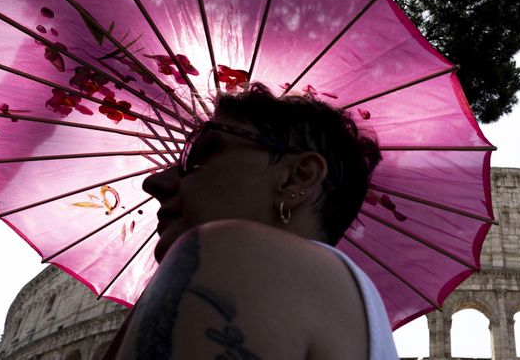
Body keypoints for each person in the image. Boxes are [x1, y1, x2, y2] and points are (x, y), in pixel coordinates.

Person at [107, 83, 398, 359]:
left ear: (297, 177)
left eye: (200, 151)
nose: (155, 182)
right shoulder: (344, 308)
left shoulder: (232, 249)